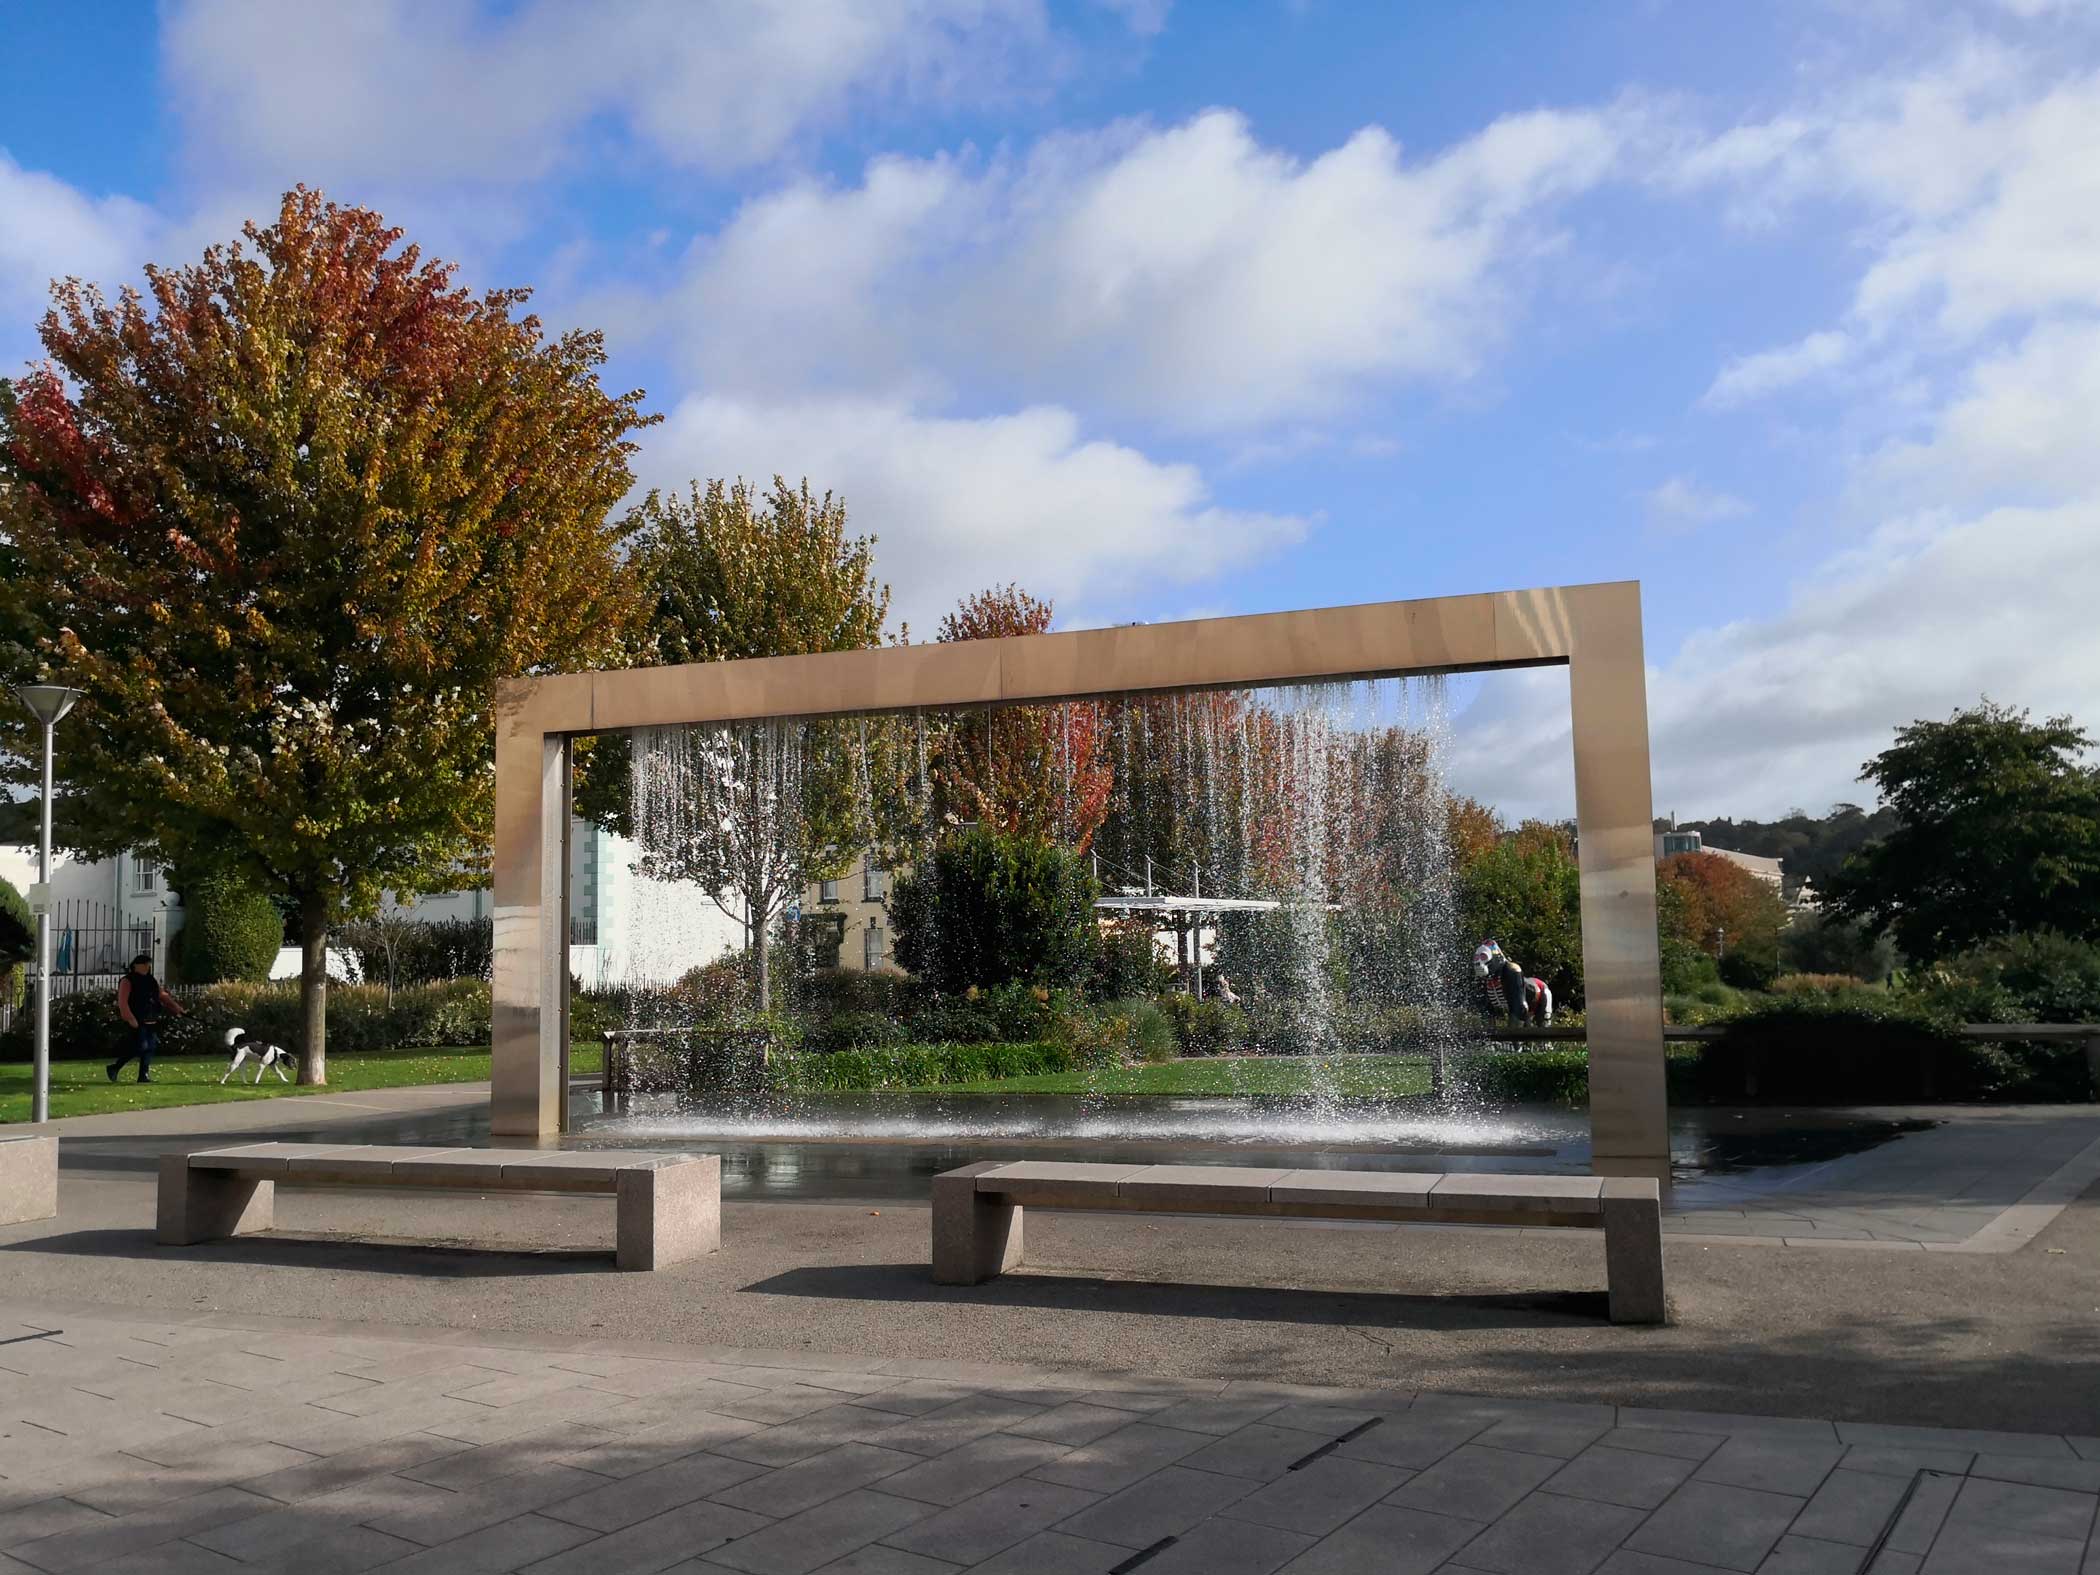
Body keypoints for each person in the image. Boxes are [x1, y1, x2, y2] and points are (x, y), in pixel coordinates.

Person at [108, 953, 183, 1083]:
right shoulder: (127, 980)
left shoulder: (151, 980)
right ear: (136, 965)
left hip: (151, 1017)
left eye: (148, 964)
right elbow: (123, 1002)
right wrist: (129, 1017)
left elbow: (162, 996)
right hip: (136, 1018)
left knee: (150, 1046)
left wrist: (176, 1008)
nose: (147, 967)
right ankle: (115, 1067)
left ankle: (143, 1075)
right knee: (141, 1046)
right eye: (145, 964)